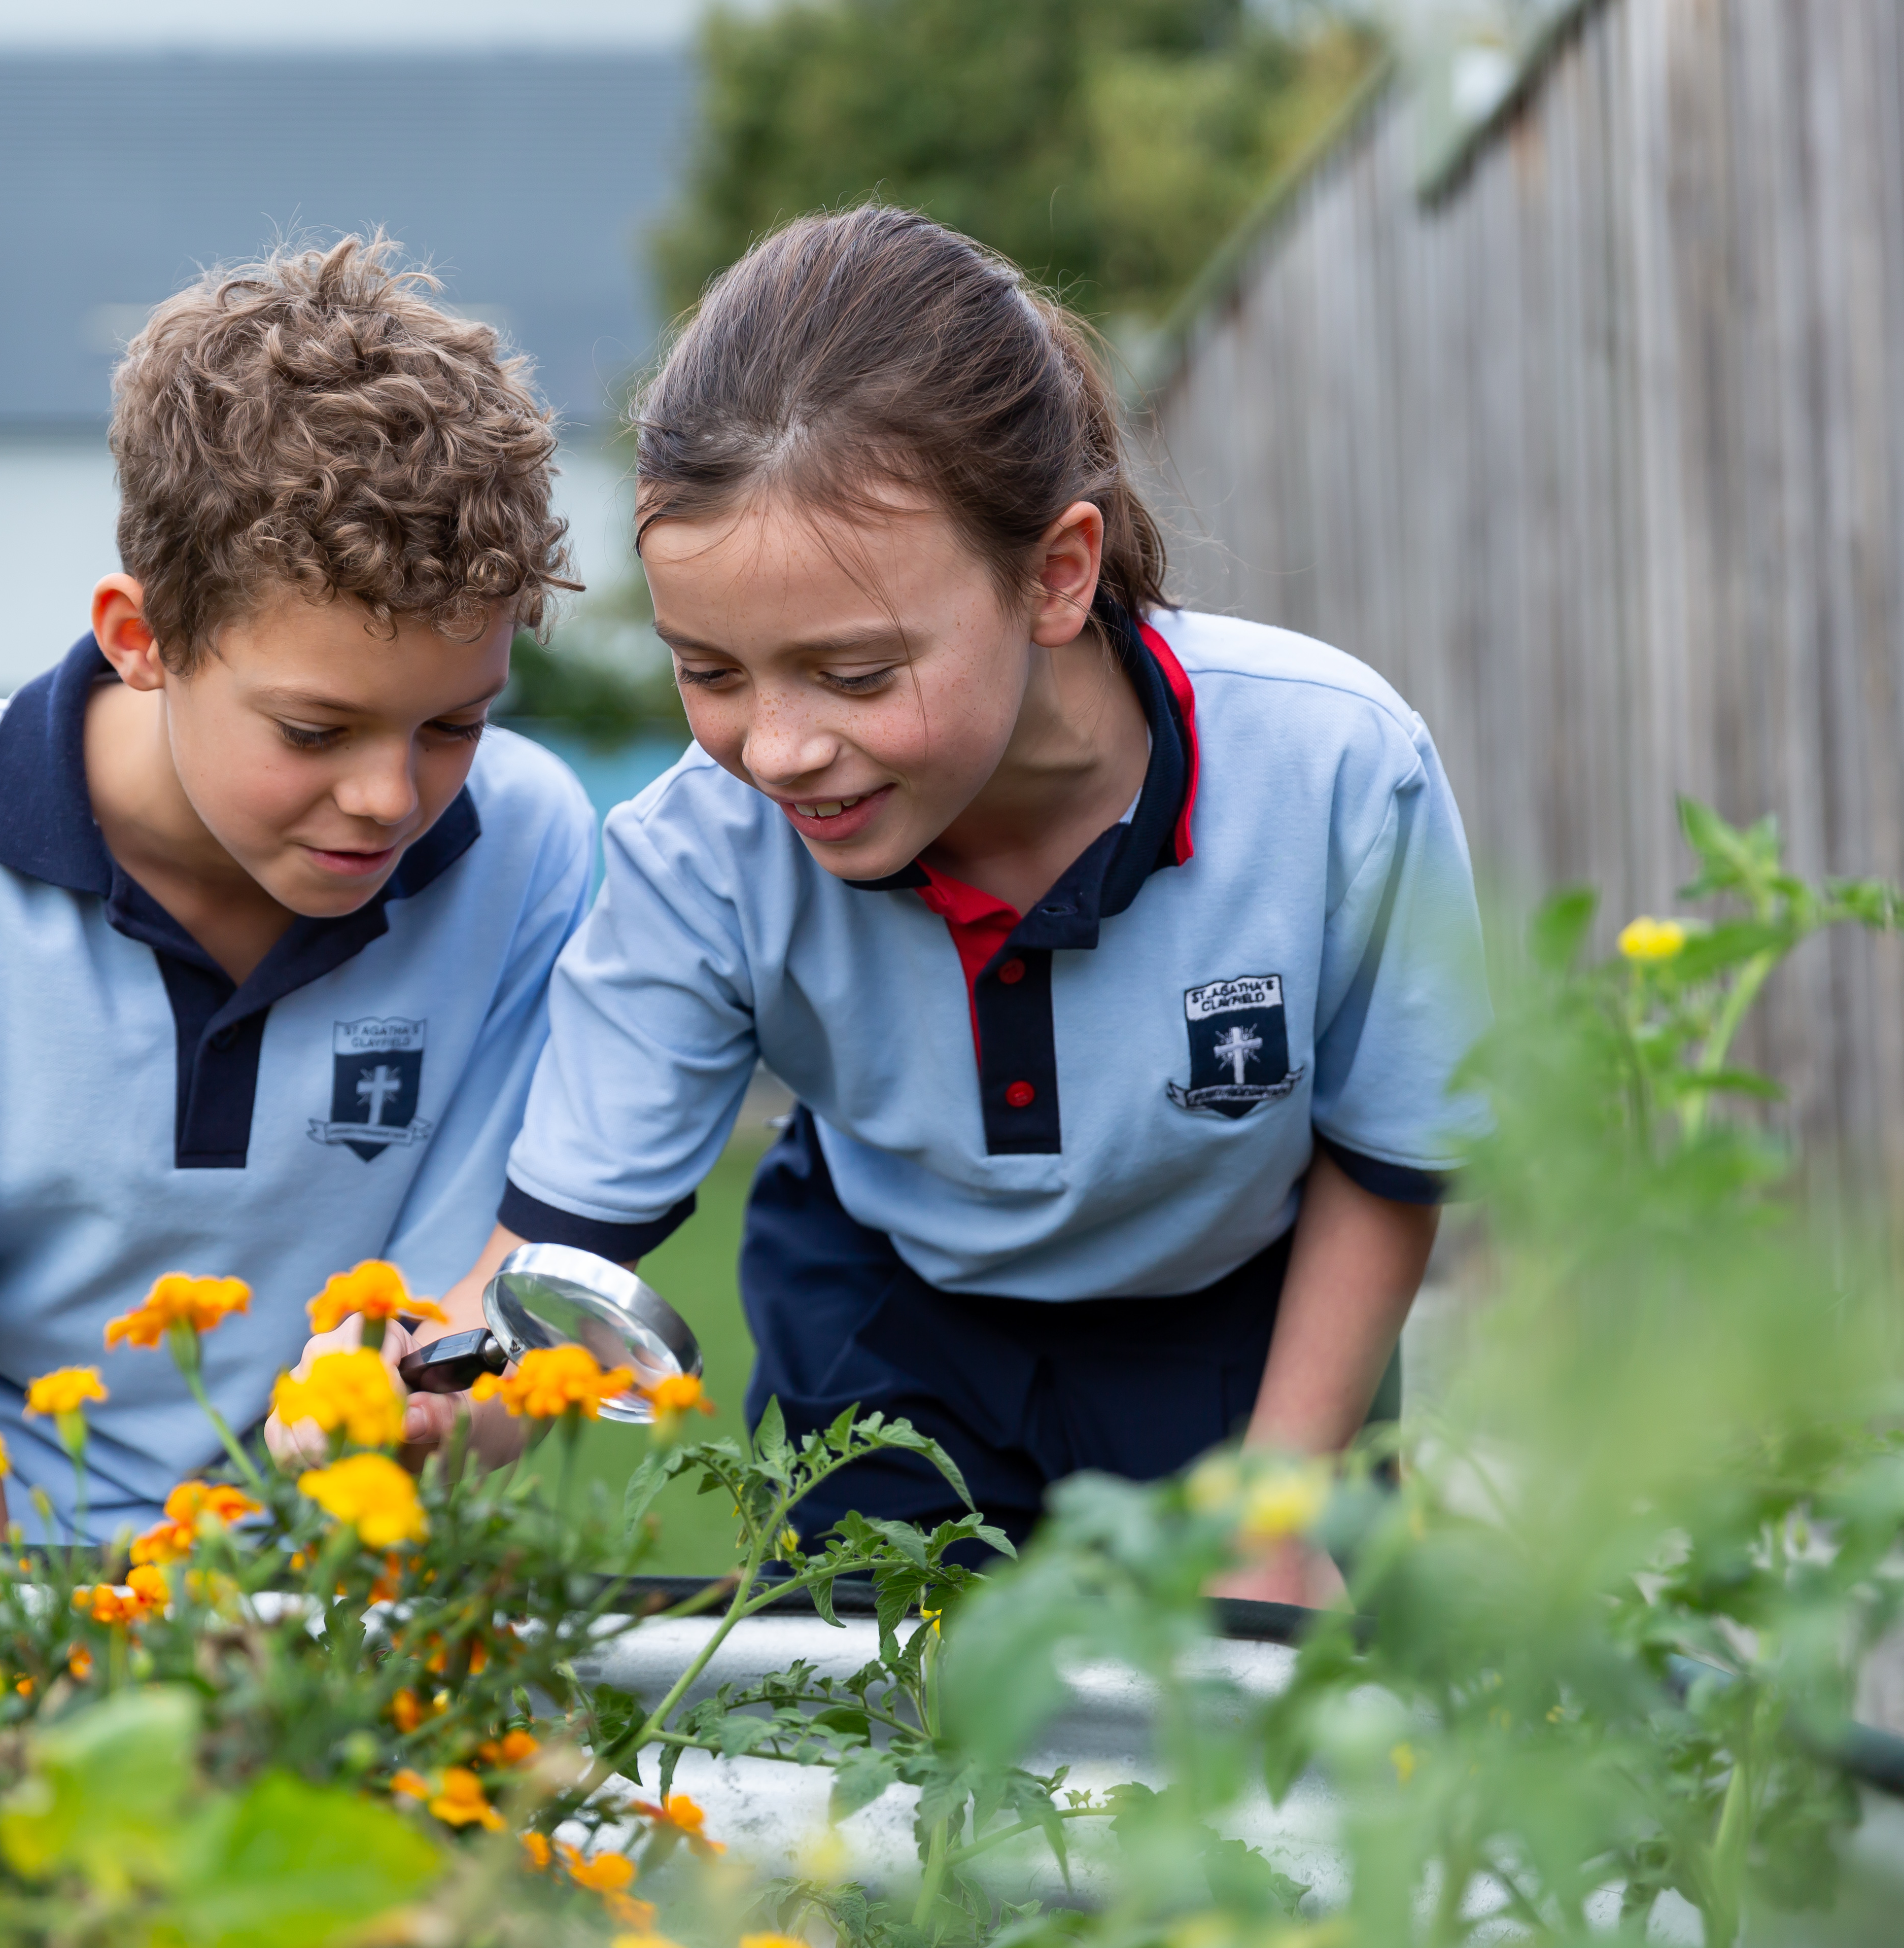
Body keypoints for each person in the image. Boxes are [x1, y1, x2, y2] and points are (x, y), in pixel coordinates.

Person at [277, 207, 1486, 1606]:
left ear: (1055, 574)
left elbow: (1391, 1161)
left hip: (1239, 1324)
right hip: (888, 1327)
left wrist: (1279, 1505)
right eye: (712, 673)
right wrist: (421, 1399)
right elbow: (551, 1276)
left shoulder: (1337, 765)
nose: (778, 748)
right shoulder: (701, 849)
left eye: (854, 675)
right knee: (881, 1741)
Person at [0, 236, 593, 1543]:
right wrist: (5, 1693)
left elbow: (467, 1329)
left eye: (453, 726)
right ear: (140, 641)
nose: (391, 797)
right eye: (316, 733)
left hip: (334, 1589)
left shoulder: (529, 839)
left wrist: (435, 1403)